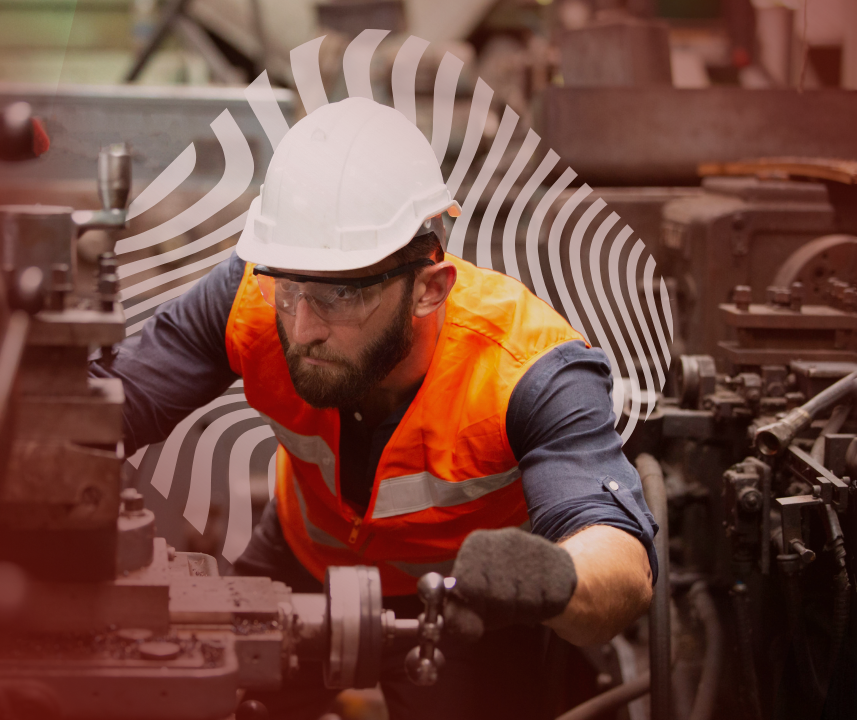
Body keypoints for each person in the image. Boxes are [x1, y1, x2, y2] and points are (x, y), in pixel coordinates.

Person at [91, 97, 657, 719]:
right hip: (301, 562)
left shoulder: (530, 371)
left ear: (428, 288)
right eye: (290, 287)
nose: (303, 326)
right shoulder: (250, 297)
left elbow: (620, 565)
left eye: (341, 294)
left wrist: (553, 581)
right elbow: (104, 410)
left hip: (469, 608)